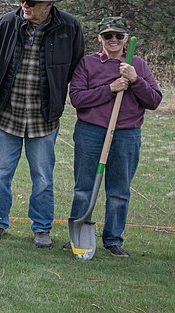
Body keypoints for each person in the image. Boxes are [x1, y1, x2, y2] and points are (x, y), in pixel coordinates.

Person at [0, 0, 84, 248]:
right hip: (8, 113)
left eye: (32, 2)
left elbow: (75, 64)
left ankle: (42, 228)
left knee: (42, 176)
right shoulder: (7, 23)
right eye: (23, 0)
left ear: (48, 5)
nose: (25, 5)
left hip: (44, 117)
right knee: (1, 173)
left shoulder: (69, 27)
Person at [67, 17, 161, 257]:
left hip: (127, 134)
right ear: (100, 38)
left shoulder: (137, 65)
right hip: (91, 131)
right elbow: (77, 98)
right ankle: (77, 234)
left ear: (126, 39)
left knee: (119, 190)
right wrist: (110, 89)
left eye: (119, 36)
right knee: (83, 187)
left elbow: (153, 101)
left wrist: (134, 80)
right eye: (108, 36)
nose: (114, 40)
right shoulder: (87, 64)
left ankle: (113, 239)